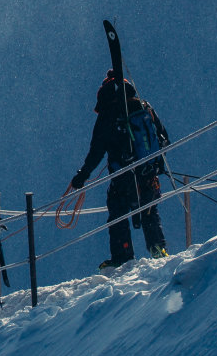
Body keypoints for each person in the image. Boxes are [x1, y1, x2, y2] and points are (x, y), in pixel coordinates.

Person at [69, 70, 170, 269]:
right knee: (149, 210)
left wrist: (82, 176)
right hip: (147, 171)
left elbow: (96, 151)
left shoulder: (108, 114)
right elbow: (163, 138)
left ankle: (123, 256)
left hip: (123, 175)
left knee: (118, 213)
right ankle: (158, 248)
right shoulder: (144, 107)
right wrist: (157, 164)